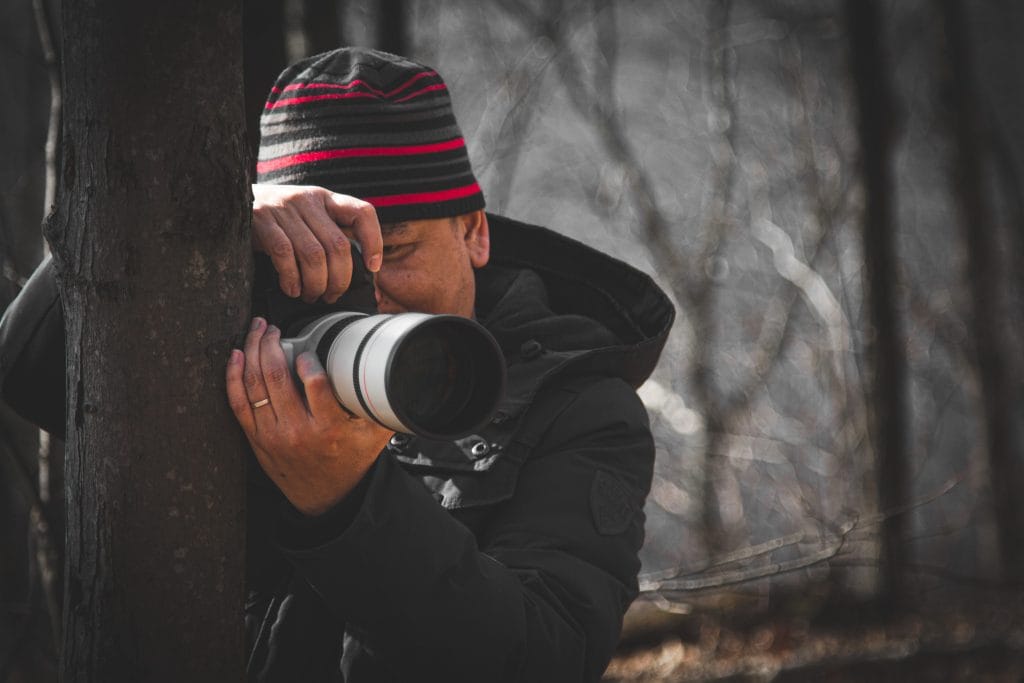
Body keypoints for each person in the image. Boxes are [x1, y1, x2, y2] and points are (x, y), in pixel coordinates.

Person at [0, 48, 674, 681]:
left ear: (473, 231)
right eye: (320, 258)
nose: (365, 293)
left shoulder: (577, 408)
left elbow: (543, 655)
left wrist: (347, 502)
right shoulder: (234, 335)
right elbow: (29, 368)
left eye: (395, 251)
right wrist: (204, 223)